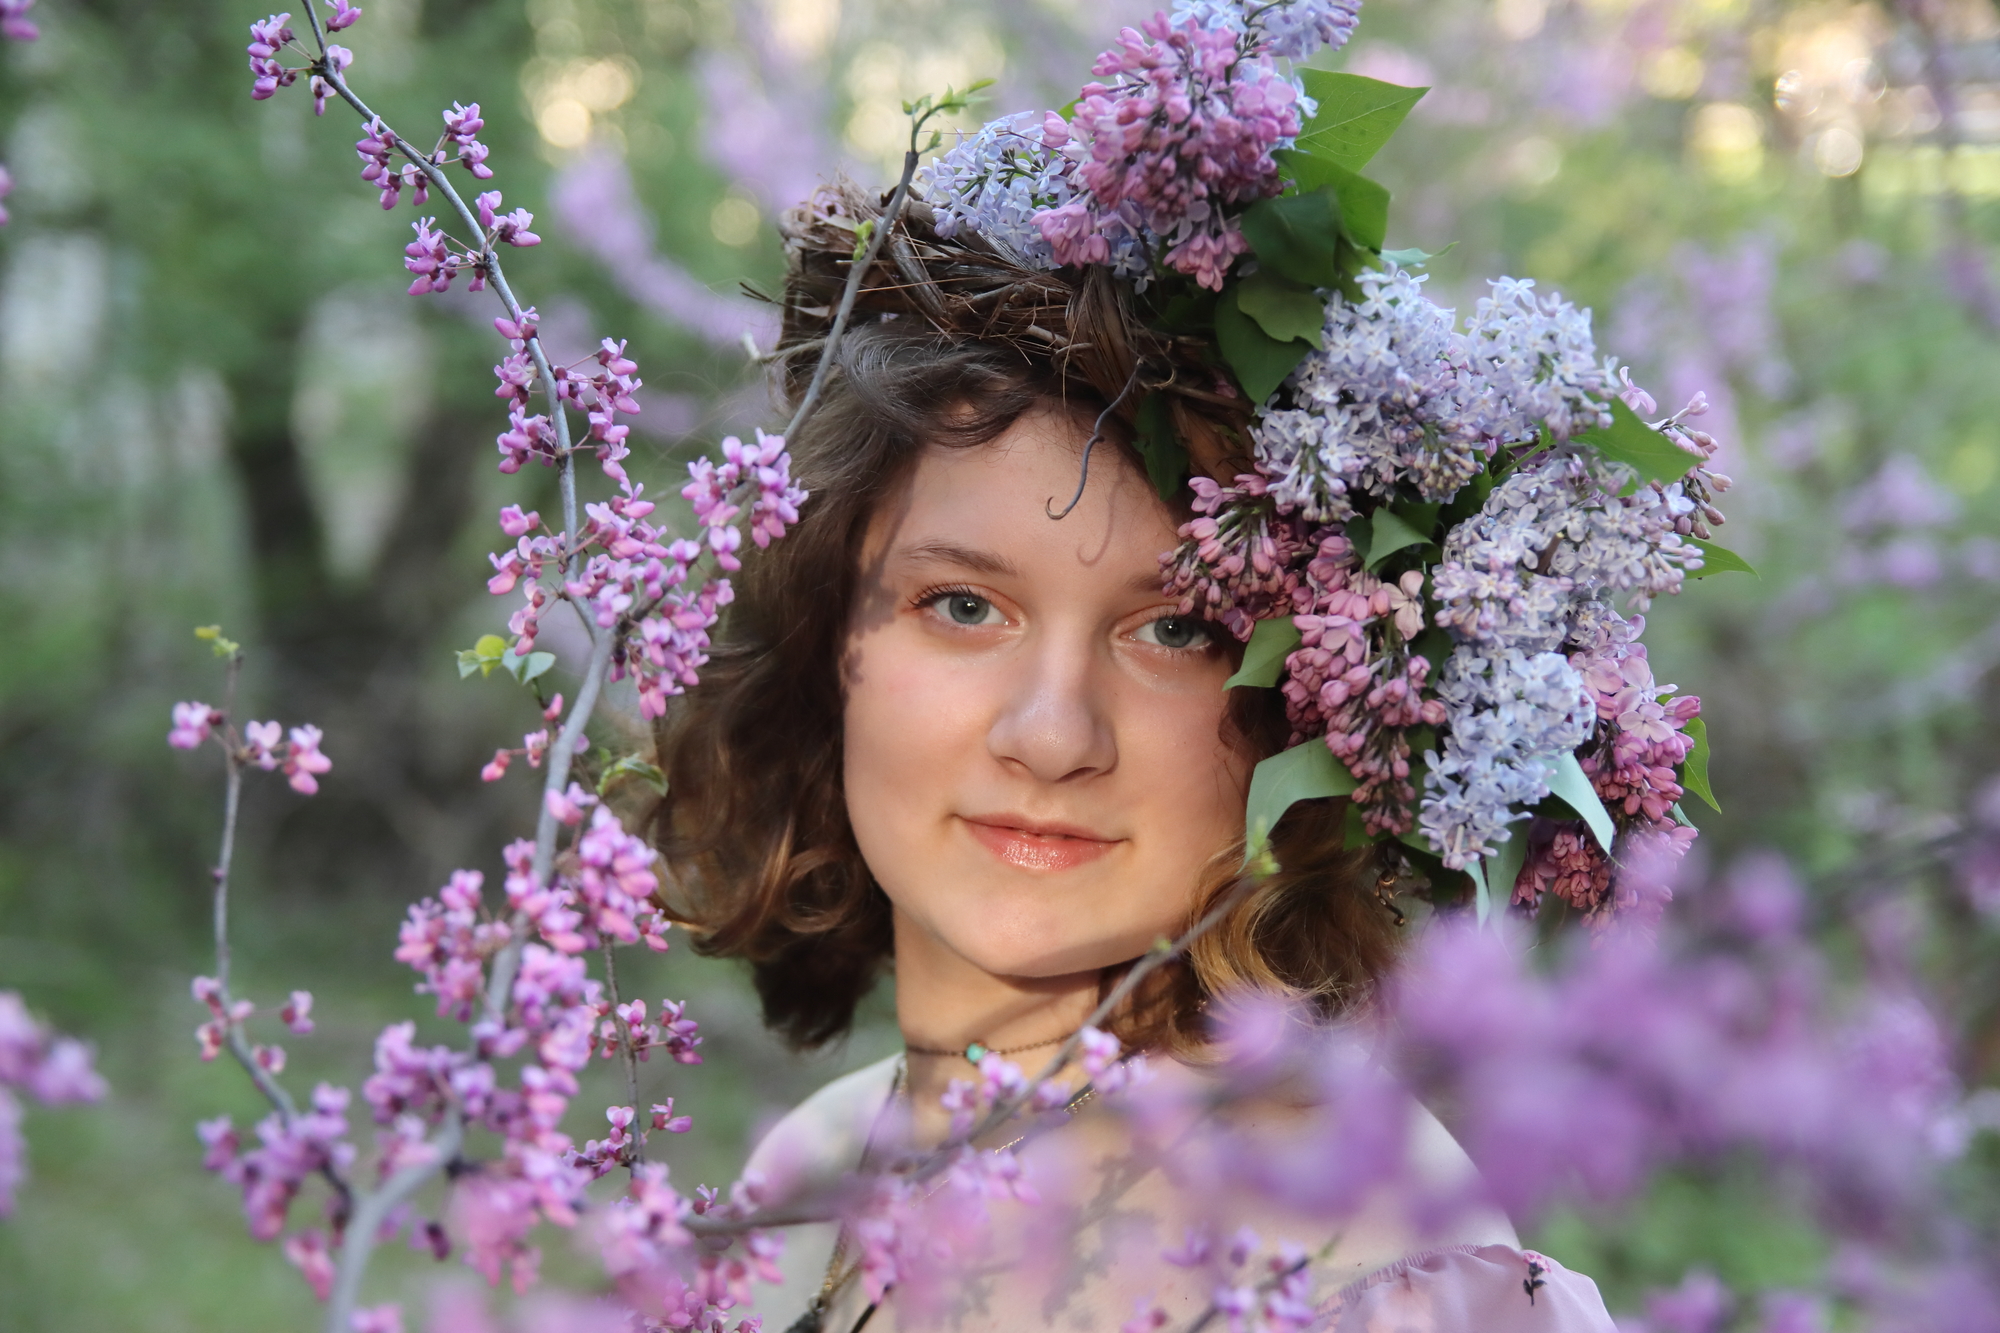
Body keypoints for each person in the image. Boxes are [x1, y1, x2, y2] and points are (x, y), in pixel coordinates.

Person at [647, 171, 1626, 1331]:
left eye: (1174, 629)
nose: (1051, 735)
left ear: (1304, 702)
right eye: (962, 606)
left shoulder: (1365, 1261)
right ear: (823, 645)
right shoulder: (813, 1164)